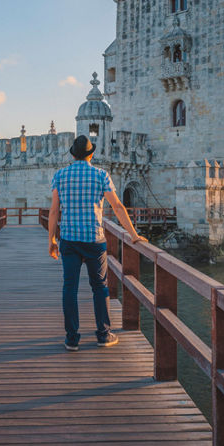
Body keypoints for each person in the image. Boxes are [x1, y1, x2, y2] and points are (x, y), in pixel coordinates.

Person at [48, 135, 145, 351]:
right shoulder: (101, 175)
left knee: (69, 288)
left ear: (73, 155)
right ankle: (103, 334)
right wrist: (133, 235)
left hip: (69, 240)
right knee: (100, 287)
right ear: (92, 154)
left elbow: (54, 210)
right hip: (94, 239)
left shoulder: (60, 175)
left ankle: (72, 339)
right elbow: (118, 206)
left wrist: (51, 240)